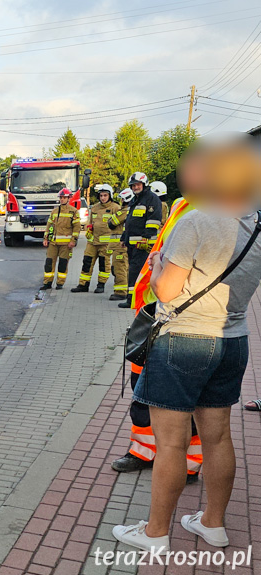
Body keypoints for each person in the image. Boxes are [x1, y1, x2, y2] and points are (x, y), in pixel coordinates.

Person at [112, 205, 261, 553]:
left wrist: (158, 265)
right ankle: (213, 524)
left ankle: (155, 532)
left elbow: (165, 291)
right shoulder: (256, 223)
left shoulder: (196, 220)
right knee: (219, 438)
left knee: (172, 444)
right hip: (233, 338)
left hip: (184, 340)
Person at [111, 197, 202, 484]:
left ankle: (189, 464)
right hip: (153, 316)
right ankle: (143, 451)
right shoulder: (181, 204)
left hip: (185, 319)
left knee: (188, 401)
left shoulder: (215, 211)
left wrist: (159, 263)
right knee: (140, 391)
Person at [118, 172, 162, 308]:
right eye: (133, 185)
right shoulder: (134, 200)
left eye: (137, 185)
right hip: (132, 244)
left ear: (144, 184)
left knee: (136, 272)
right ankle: (134, 299)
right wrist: (123, 238)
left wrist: (145, 238)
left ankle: (133, 300)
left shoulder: (152, 199)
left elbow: (153, 221)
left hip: (143, 245)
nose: (135, 187)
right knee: (133, 270)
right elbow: (130, 222)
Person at [72, 184, 117, 293]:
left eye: (105, 195)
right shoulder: (95, 208)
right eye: (101, 195)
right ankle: (83, 285)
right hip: (92, 242)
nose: (103, 198)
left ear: (110, 196)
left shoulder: (115, 208)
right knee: (87, 263)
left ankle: (101, 285)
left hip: (105, 244)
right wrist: (89, 230)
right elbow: (90, 222)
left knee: (103, 265)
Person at [40, 188, 80, 290]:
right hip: (53, 243)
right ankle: (47, 283)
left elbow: (76, 228)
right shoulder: (54, 211)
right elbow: (49, 226)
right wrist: (46, 238)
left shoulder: (73, 212)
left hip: (66, 244)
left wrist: (73, 241)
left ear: (69, 198)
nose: (62, 199)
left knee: (63, 263)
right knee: (49, 263)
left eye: (64, 198)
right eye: (61, 198)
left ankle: (60, 283)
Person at [106, 188, 132, 301]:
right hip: (120, 245)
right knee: (121, 267)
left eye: (121, 199)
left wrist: (112, 218)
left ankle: (121, 292)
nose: (120, 201)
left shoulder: (125, 211)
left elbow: (112, 223)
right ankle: (124, 290)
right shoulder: (129, 210)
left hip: (120, 246)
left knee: (119, 268)